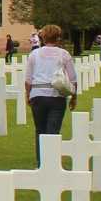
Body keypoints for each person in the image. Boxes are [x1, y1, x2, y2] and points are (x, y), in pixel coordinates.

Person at [23, 24, 77, 165]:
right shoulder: (63, 54)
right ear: (58, 38)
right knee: (53, 131)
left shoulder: (34, 54)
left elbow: (28, 79)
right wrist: (74, 97)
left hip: (38, 95)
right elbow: (73, 78)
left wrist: (28, 95)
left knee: (40, 130)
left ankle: (41, 163)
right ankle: (51, 164)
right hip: (56, 95)